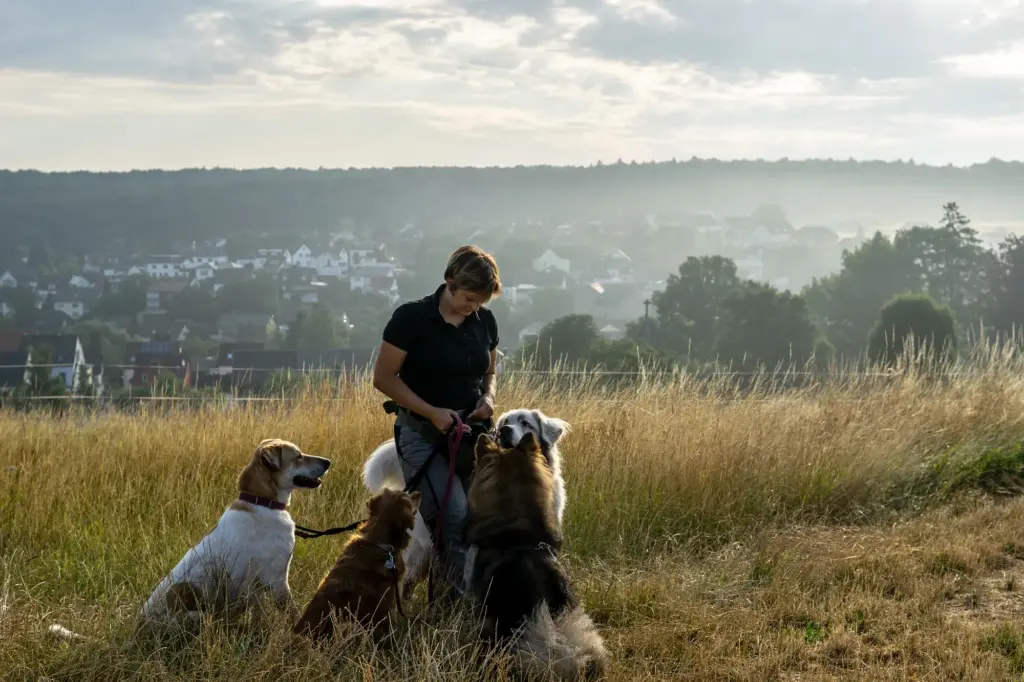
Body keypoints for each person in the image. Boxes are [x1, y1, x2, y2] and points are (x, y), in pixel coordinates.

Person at [372, 245, 501, 599]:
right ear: (449, 282)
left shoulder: (485, 321)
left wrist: (487, 399)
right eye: (470, 298)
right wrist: (431, 411)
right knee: (454, 518)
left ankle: (465, 599)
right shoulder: (411, 318)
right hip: (421, 434)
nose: (475, 307)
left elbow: (489, 371)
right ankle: (450, 608)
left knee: (480, 518)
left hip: (471, 436)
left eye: (482, 302)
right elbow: (383, 378)